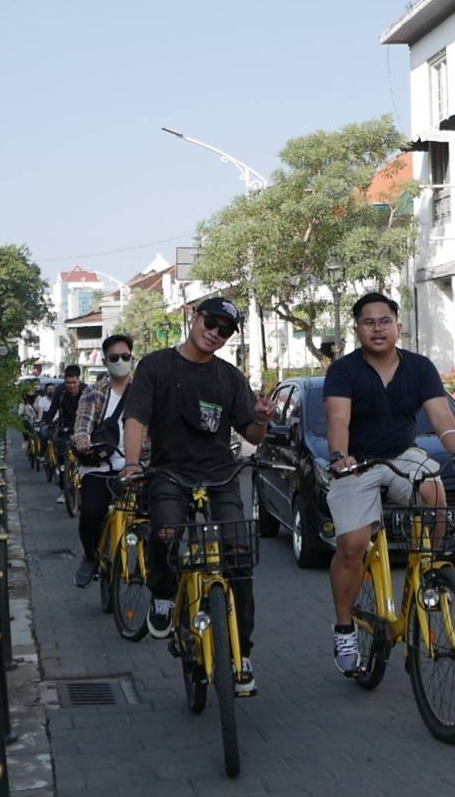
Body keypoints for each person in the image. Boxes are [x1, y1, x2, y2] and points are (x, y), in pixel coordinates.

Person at [121, 297, 275, 695]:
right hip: (170, 471)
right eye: (211, 322)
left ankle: (242, 653)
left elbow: (251, 436)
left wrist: (260, 417)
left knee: (239, 556)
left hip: (221, 475)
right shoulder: (156, 366)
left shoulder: (229, 377)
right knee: (167, 532)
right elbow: (136, 417)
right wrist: (133, 463)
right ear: (194, 317)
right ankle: (163, 595)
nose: (215, 333)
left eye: (225, 330)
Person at [322, 292, 455, 676]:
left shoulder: (420, 367)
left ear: (397, 325)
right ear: (358, 329)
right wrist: (341, 456)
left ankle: (430, 571)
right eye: (369, 323)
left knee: (435, 492)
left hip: (401, 454)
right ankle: (344, 627)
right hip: (356, 462)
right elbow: (338, 420)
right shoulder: (343, 370)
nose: (378, 329)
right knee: (352, 545)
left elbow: (441, 416)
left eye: (385, 321)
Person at [70, 335, 148, 588]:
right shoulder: (94, 392)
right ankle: (90, 556)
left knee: (157, 517)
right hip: (100, 466)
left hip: (138, 467)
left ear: (132, 358)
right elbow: (82, 424)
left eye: (125, 357)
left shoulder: (144, 392)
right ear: (105, 361)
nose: (121, 362)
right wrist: (82, 441)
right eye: (114, 358)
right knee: (91, 514)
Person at [43, 365, 87, 503]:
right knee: (63, 462)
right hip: (65, 428)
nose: (71, 386)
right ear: (64, 381)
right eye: (68, 383)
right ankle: (64, 490)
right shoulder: (60, 392)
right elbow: (52, 410)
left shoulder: (87, 391)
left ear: (78, 381)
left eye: (74, 383)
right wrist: (48, 422)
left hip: (83, 429)